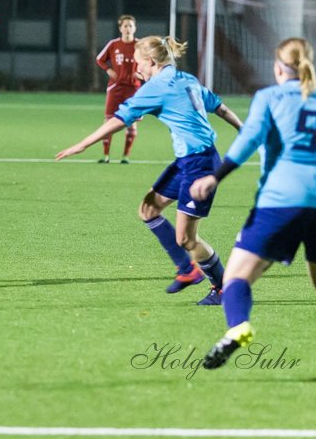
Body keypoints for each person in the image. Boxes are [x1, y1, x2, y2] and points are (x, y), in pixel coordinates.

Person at [190, 38, 316, 377]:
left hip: (281, 199)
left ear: (278, 68)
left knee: (237, 276)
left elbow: (249, 139)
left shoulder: (268, 97)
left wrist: (215, 178)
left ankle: (238, 327)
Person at [56, 36, 242, 305]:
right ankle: (187, 270)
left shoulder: (156, 87)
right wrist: (242, 128)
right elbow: (220, 107)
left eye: (138, 63)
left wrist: (83, 144)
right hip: (190, 160)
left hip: (199, 165)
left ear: (152, 62)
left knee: (186, 239)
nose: (136, 68)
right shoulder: (186, 78)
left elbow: (119, 120)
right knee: (148, 210)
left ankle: (222, 288)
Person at [93, 14, 140, 164]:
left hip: (133, 89)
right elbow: (99, 59)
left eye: (130, 26)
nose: (128, 28)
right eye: (125, 26)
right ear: (120, 28)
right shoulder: (113, 44)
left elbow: (149, 62)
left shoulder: (140, 45)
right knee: (109, 121)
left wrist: (141, 74)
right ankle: (106, 155)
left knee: (131, 122)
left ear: (135, 28)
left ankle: (125, 156)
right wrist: (108, 69)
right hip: (115, 87)